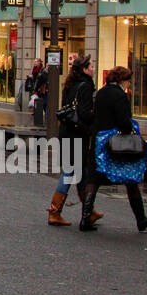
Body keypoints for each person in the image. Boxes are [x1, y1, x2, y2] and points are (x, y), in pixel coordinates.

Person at [79, 65, 147, 232]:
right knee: (130, 179)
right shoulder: (120, 96)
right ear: (122, 80)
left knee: (94, 179)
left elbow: (95, 115)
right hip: (116, 143)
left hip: (99, 140)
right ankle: (141, 219)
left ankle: (85, 218)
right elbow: (123, 120)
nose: (129, 84)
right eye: (128, 81)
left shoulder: (101, 92)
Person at [48, 54, 100, 226]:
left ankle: (88, 210)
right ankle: (55, 212)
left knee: (81, 172)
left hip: (67, 132)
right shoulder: (85, 86)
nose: (93, 69)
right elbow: (84, 113)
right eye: (91, 66)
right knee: (70, 172)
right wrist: (96, 119)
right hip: (77, 135)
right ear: (84, 69)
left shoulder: (70, 84)